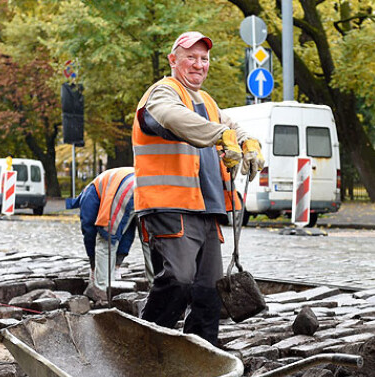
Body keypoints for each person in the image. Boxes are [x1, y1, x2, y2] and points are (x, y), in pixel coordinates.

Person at [132, 31, 264, 345]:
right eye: (191, 57)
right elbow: (171, 117)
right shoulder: (162, 93)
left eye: (203, 59)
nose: (198, 64)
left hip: (207, 210)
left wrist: (248, 141)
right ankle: (142, 345)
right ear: (173, 60)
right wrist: (220, 134)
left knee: (208, 292)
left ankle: (200, 355)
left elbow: (230, 124)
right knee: (179, 280)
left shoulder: (206, 101)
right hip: (170, 206)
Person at [66, 167, 137, 302]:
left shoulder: (88, 195)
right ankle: (153, 287)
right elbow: (127, 232)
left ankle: (102, 291)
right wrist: (117, 263)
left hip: (127, 188)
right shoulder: (102, 185)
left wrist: (93, 265)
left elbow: (90, 232)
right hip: (145, 185)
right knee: (146, 238)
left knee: (105, 239)